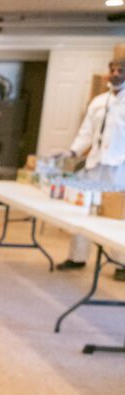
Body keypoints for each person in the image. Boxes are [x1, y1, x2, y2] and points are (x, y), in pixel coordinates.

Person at [52, 57, 125, 280]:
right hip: (95, 163)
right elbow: (86, 132)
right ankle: (78, 257)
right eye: (112, 69)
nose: (115, 73)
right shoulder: (99, 102)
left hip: (119, 166)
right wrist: (73, 151)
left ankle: (121, 262)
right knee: (83, 210)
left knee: (117, 217)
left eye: (120, 70)